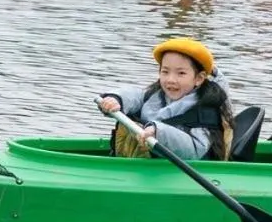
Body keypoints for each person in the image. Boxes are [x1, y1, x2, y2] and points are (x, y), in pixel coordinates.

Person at [97, 37, 235, 161]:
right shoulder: (156, 95)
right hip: (148, 166)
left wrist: (159, 133)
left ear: (199, 78)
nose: (171, 79)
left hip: (189, 171)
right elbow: (137, 96)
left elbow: (194, 150)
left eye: (181, 73)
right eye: (165, 71)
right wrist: (116, 99)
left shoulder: (205, 111)